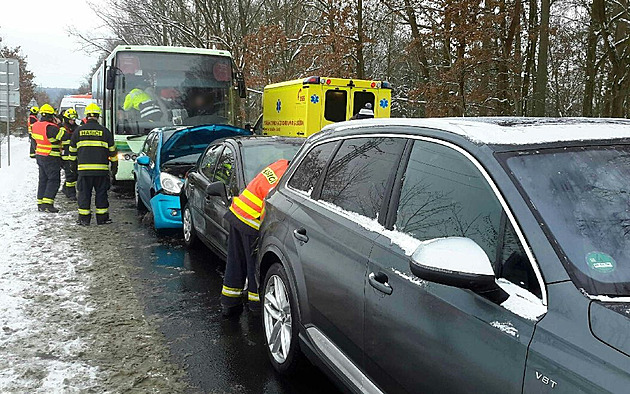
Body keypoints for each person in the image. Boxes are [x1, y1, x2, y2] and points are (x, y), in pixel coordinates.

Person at [221, 159, 290, 317]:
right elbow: (274, 205)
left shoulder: (280, 164)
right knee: (255, 267)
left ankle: (229, 304)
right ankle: (256, 307)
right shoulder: (285, 178)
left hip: (238, 213)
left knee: (236, 262)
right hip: (251, 220)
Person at [68, 103, 118, 226]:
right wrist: (114, 167)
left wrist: (73, 168)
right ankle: (102, 219)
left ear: (86, 115)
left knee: (84, 195)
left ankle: (84, 220)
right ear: (98, 116)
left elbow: (72, 153)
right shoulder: (105, 132)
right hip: (101, 171)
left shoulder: (78, 132)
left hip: (84, 171)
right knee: (101, 194)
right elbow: (113, 152)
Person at [31, 103, 65, 213]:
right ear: (51, 116)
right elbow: (62, 136)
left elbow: (34, 141)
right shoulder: (51, 127)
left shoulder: (36, 125)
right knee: (54, 180)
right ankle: (48, 204)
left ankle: (40, 203)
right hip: (51, 156)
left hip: (40, 156)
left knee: (43, 180)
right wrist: (61, 125)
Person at [60, 108, 79, 200]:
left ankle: (65, 188)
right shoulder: (62, 128)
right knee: (70, 175)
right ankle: (71, 194)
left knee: (75, 174)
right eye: (71, 119)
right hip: (65, 156)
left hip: (75, 155)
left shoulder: (77, 128)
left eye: (74, 120)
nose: (72, 121)